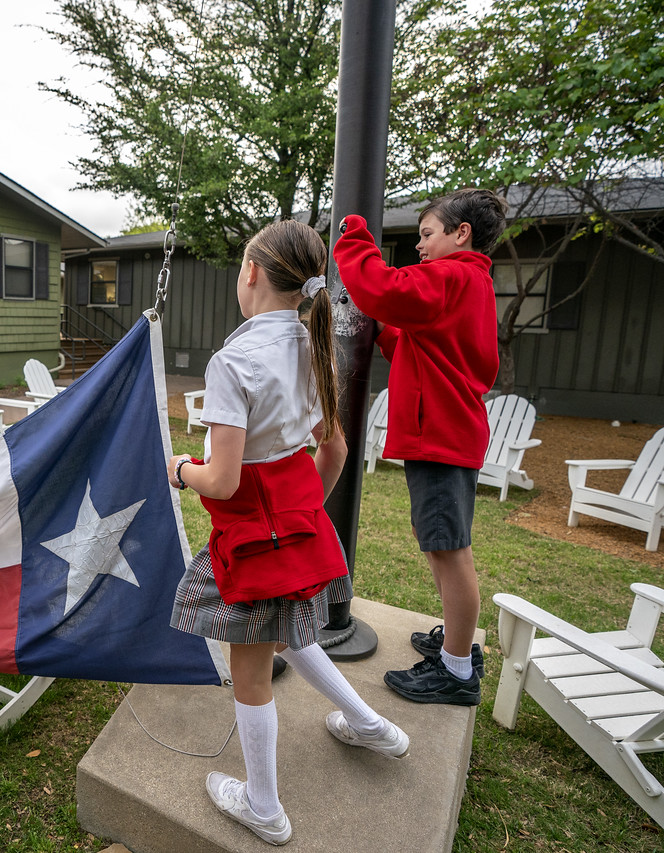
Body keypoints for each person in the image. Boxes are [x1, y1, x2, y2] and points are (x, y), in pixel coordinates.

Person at [169, 220, 409, 846]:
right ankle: (372, 726)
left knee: (251, 670)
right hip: (298, 533)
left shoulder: (233, 361)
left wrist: (179, 468)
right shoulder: (314, 346)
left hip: (251, 540)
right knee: (290, 630)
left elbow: (222, 481)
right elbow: (335, 450)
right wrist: (303, 517)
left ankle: (264, 807)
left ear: (251, 272)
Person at [332, 187, 507, 707]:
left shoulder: (451, 275)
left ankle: (456, 670)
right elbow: (426, 346)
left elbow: (380, 288)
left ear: (461, 233)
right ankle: (456, 643)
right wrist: (384, 334)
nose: (420, 246)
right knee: (437, 539)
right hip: (446, 434)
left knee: (449, 550)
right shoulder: (471, 282)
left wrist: (355, 238)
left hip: (442, 438)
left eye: (427, 234)